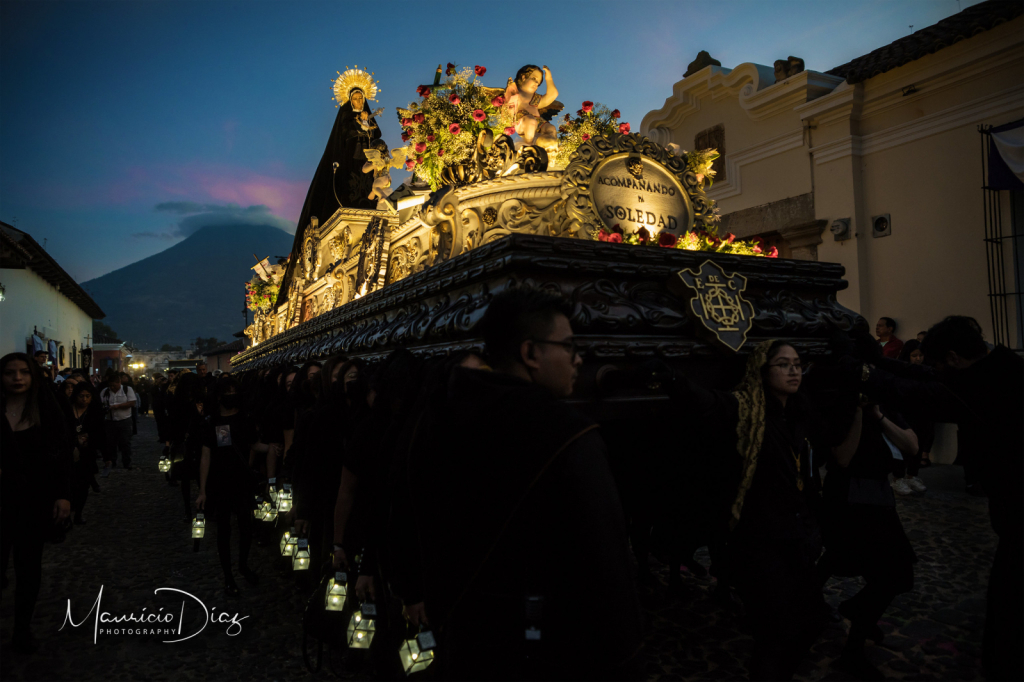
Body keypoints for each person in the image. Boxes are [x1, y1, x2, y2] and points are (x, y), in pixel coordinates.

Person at [401, 287, 643, 680]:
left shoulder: (438, 416)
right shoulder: (567, 436)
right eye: (567, 346)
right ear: (531, 353)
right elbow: (605, 570)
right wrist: (625, 662)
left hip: (463, 635)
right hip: (545, 648)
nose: (578, 359)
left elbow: (413, 516)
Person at [653, 341, 827, 680]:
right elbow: (707, 402)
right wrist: (672, 378)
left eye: (797, 364)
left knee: (811, 622)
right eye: (783, 364)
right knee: (773, 632)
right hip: (759, 541)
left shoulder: (800, 412)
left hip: (797, 537)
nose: (794, 370)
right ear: (762, 372)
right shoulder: (745, 409)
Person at [818, 398, 918, 680]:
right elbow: (842, 457)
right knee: (891, 575)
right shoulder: (840, 410)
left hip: (879, 500)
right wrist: (860, 414)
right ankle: (852, 644)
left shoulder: (885, 407)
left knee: (894, 575)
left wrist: (878, 415)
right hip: (848, 501)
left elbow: (912, 446)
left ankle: (853, 615)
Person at [0, 352, 72, 653]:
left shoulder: (45, 410)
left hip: (33, 500)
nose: (17, 378)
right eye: (10, 372)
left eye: (24, 372)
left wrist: (64, 495)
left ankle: (21, 629)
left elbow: (63, 453)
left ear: (33, 376)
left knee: (28, 568)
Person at [195, 378, 260, 597]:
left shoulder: (246, 418)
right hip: (219, 482)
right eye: (227, 392)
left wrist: (271, 449)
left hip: (242, 481)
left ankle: (242, 565)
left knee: (245, 526)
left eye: (234, 391)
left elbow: (253, 445)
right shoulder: (211, 422)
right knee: (223, 530)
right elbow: (206, 456)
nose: (231, 395)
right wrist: (202, 490)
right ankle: (228, 577)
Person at [66, 382, 104, 524]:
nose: (84, 399)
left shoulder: (94, 411)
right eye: (81, 396)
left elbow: (100, 433)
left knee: (83, 485)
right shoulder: (68, 410)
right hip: (69, 452)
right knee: (70, 483)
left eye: (88, 396)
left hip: (87, 454)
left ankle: (78, 513)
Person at [99, 372, 136, 472]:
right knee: (111, 443)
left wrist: (116, 406)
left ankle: (126, 462)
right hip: (110, 421)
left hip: (124, 420)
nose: (112, 387)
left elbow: (132, 403)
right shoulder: (105, 391)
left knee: (125, 443)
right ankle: (112, 462)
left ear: (119, 382)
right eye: (110, 385)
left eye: (114, 385)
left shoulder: (127, 390)